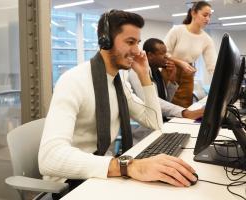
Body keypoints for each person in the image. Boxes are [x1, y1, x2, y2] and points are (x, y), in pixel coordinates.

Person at [38, 10, 198, 197]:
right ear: (105, 41)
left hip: (102, 171)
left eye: (137, 43)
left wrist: (144, 76)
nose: (137, 51)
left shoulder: (118, 83)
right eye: (130, 42)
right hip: (70, 183)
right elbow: (49, 158)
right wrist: (128, 166)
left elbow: (155, 122)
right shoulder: (73, 81)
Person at [125, 38, 204, 143]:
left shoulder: (157, 72)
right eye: (162, 53)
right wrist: (184, 112)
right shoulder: (136, 73)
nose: (166, 57)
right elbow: (154, 102)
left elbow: (167, 100)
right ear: (150, 55)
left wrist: (172, 79)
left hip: (161, 125)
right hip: (145, 133)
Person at [164, 1, 217, 108]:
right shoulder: (177, 30)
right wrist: (180, 62)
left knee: (184, 109)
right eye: (205, 15)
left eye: (210, 16)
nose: (208, 19)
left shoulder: (206, 39)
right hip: (170, 71)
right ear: (193, 13)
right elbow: (163, 53)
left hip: (187, 75)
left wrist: (223, 80)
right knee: (166, 106)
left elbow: (213, 66)